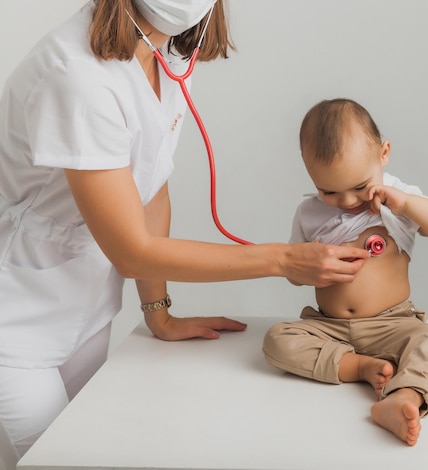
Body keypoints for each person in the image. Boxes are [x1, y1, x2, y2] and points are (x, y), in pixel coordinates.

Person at [0, 1, 370, 463]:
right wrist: (283, 260)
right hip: (14, 322)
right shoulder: (76, 75)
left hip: (85, 307)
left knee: (95, 448)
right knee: (64, 458)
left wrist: (158, 311)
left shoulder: (170, 53)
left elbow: (150, 187)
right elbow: (132, 252)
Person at [263, 98, 428, 446]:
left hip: (393, 324)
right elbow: (294, 273)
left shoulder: (401, 200)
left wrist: (408, 205)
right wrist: (310, 270)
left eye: (359, 187)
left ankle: (403, 397)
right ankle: (358, 366)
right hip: (327, 327)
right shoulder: (308, 214)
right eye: (328, 191)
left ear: (383, 153)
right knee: (276, 339)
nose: (346, 201)